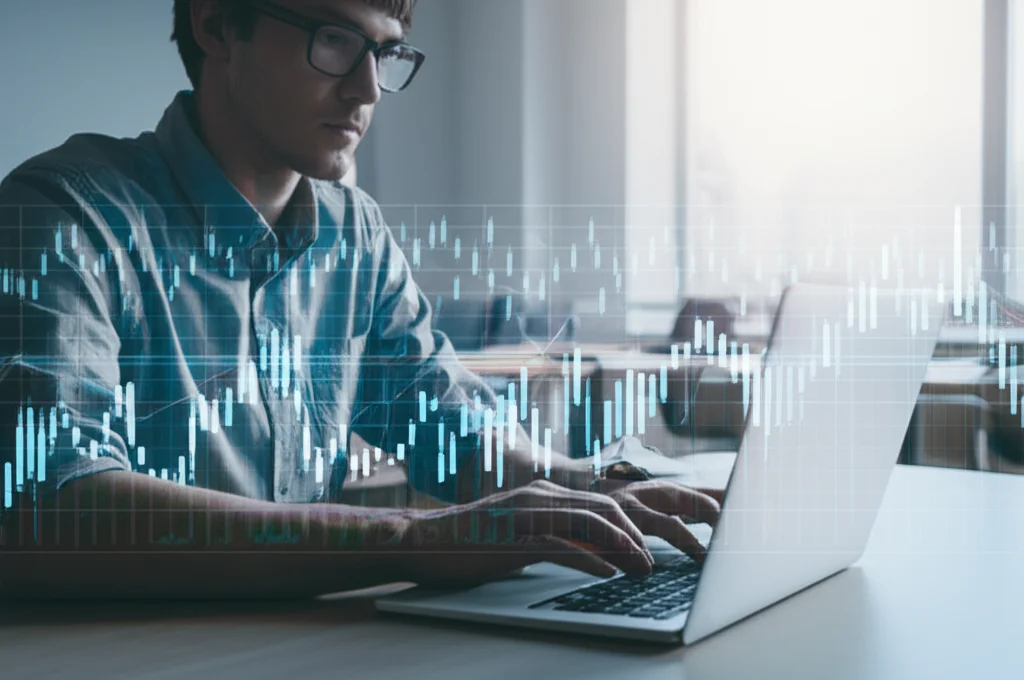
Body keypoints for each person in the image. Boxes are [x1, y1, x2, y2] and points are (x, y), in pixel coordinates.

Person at [0, 0, 720, 599]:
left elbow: (450, 426)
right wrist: (409, 538)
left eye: (387, 52)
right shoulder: (67, 218)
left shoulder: (355, 236)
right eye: (335, 39)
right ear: (216, 23)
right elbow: (53, 505)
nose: (368, 89)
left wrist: (591, 489)